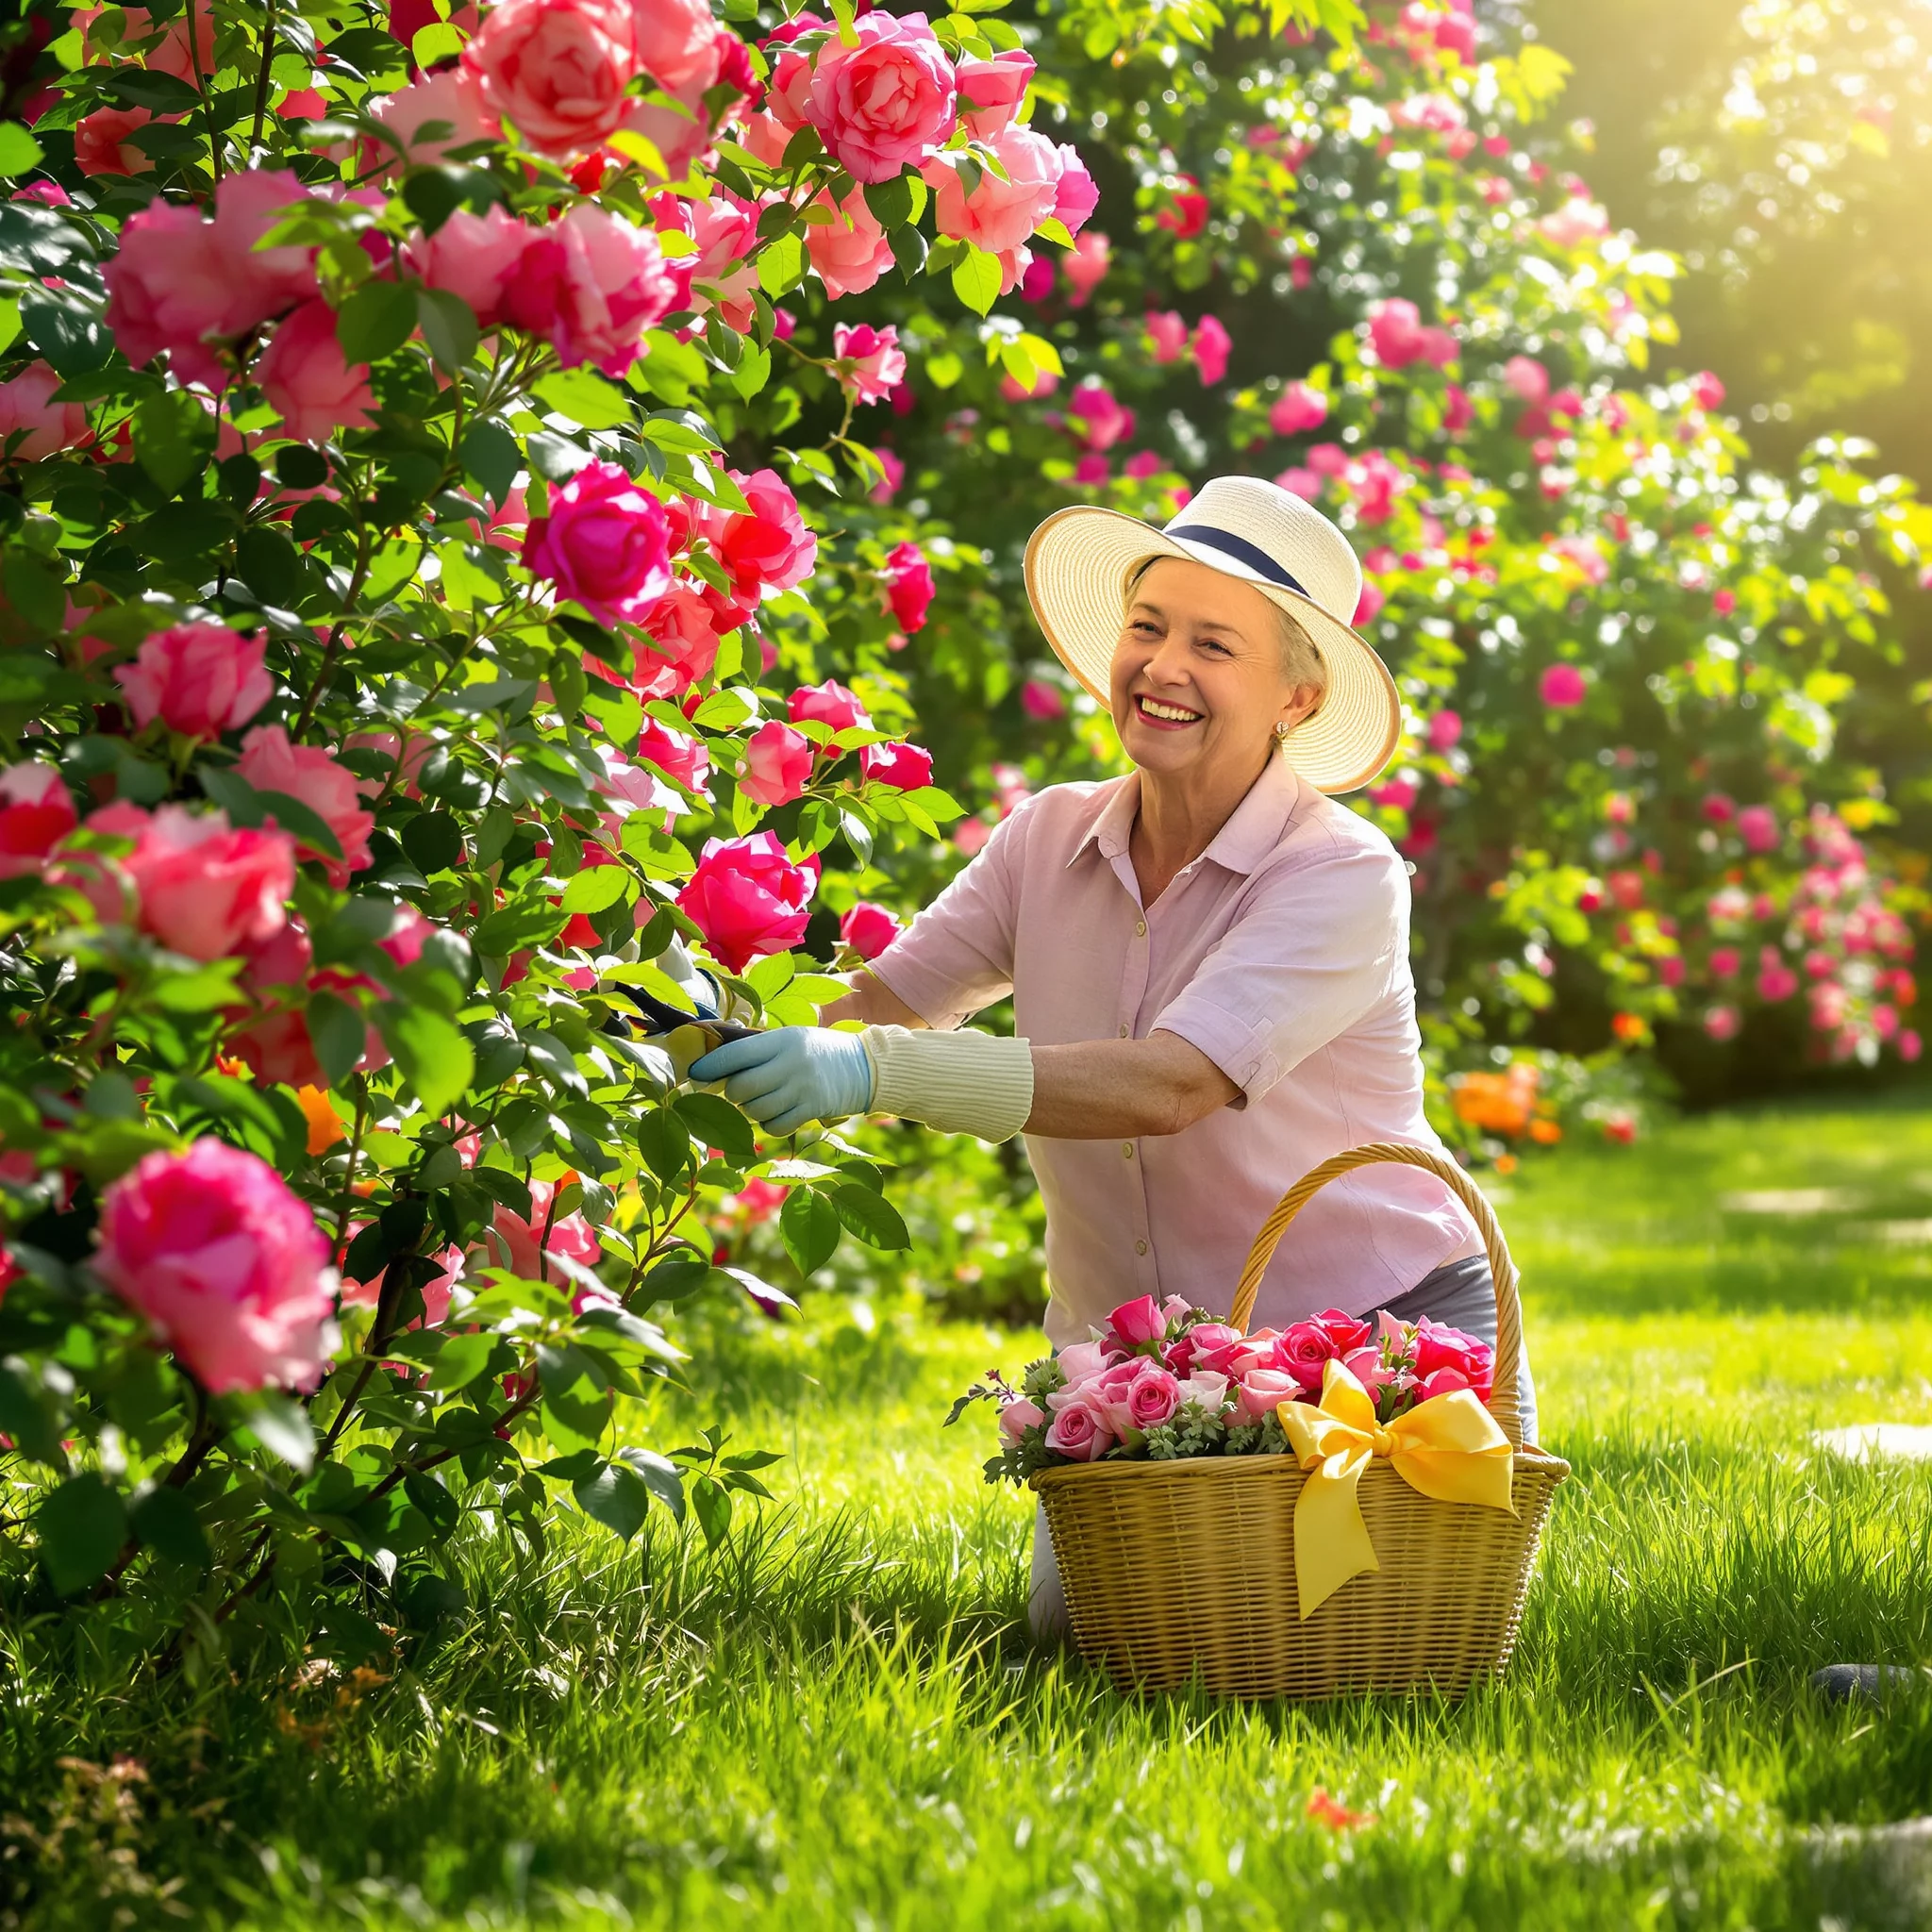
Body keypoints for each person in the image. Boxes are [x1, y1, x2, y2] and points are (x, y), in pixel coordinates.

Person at [691, 475, 1539, 1635]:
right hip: (1149, 1373)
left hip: (1380, 1345)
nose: (1160, 666)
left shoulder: (1339, 871)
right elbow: (882, 995)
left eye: (1212, 644)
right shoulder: (1045, 834)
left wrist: (874, 1071)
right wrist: (690, 1007)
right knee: (1084, 1643)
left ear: (1295, 694)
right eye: (1145, 627)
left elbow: (1172, 1081)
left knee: (1316, 1657)